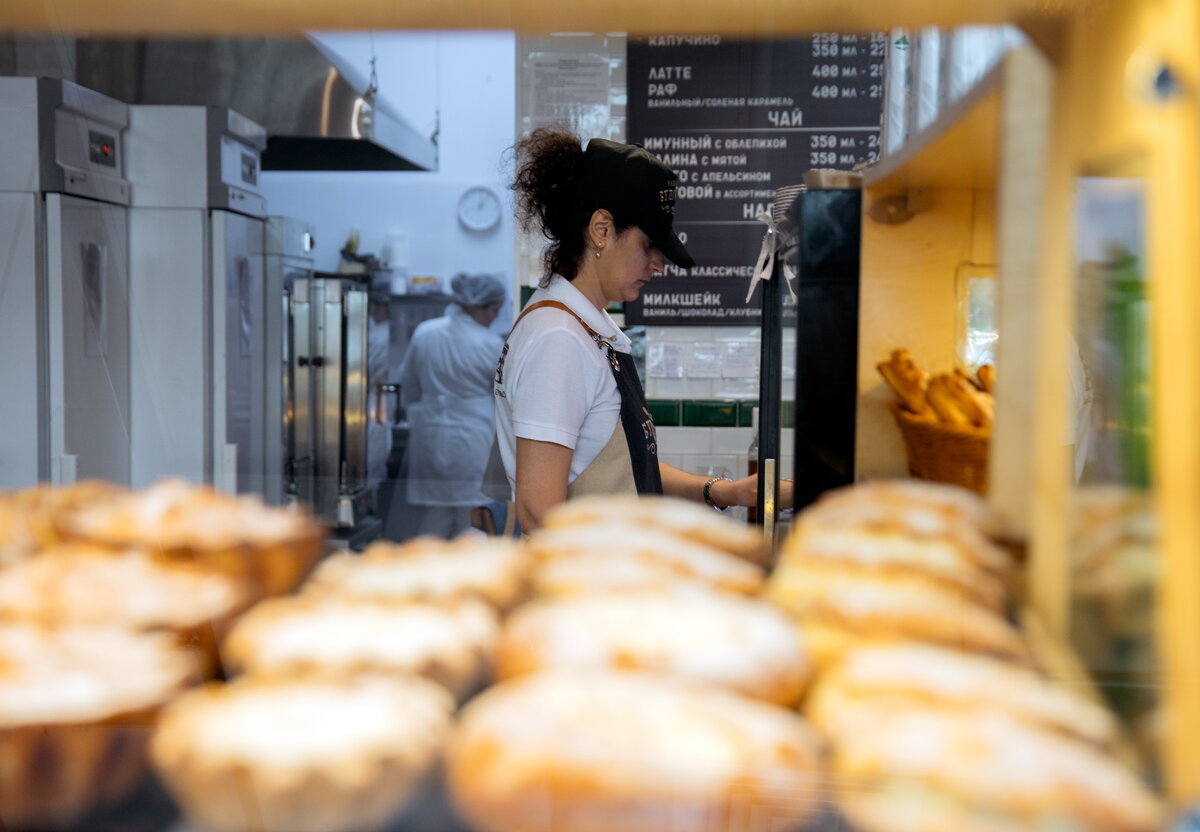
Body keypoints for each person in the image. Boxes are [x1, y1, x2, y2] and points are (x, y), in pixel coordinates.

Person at [495, 129, 790, 531]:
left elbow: (620, 465)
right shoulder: (558, 338)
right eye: (648, 245)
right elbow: (538, 511)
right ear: (601, 229)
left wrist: (722, 491)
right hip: (588, 587)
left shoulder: (583, 328)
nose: (659, 264)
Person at [396, 272, 507, 538]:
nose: (494, 317)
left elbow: (409, 383)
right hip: (473, 437)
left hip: (430, 434)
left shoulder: (425, 332)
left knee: (435, 514)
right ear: (476, 306)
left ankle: (426, 573)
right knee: (472, 516)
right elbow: (506, 396)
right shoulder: (489, 343)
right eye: (494, 310)